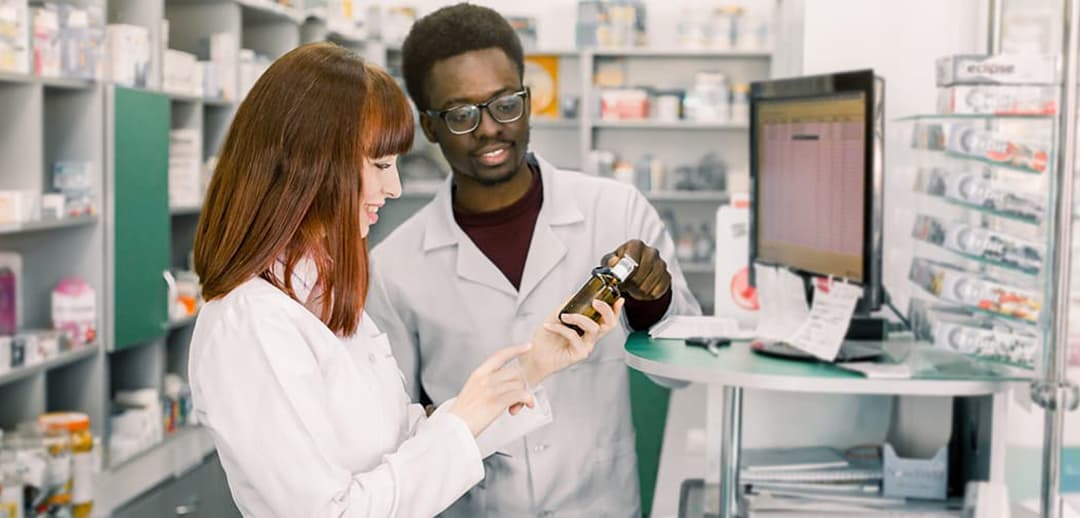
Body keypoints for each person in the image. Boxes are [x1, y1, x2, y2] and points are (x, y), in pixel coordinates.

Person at [188, 43, 624, 518]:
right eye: (379, 166)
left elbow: (402, 442)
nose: (393, 188)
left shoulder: (323, 296)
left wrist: (534, 366)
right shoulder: (251, 324)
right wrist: (463, 421)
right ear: (309, 163)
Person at [366, 4, 702, 516]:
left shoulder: (616, 211)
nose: (489, 130)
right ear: (429, 127)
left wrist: (656, 303)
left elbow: (684, 373)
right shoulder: (394, 267)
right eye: (460, 114)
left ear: (527, 98)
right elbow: (395, 432)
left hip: (599, 503)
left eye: (505, 103)